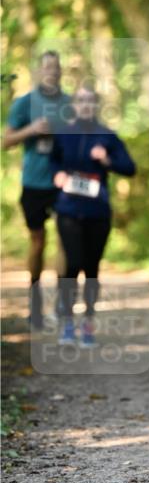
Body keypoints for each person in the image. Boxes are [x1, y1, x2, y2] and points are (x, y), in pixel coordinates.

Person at [50, 84, 136, 346]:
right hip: (67, 209)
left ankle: (87, 324)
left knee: (91, 269)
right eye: (81, 100)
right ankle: (66, 323)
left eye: (90, 100)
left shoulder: (107, 135)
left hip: (97, 212)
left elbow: (130, 168)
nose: (86, 105)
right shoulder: (63, 134)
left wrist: (107, 160)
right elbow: (52, 161)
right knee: (71, 264)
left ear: (96, 105)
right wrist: (58, 174)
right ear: (74, 105)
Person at [3, 51, 72, 329]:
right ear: (38, 72)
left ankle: (61, 305)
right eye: (47, 68)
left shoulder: (70, 103)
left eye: (56, 68)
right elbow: (5, 141)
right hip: (33, 183)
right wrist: (31, 130)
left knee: (65, 241)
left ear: (61, 72)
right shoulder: (25, 104)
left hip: (62, 182)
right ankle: (34, 303)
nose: (52, 73)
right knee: (38, 241)